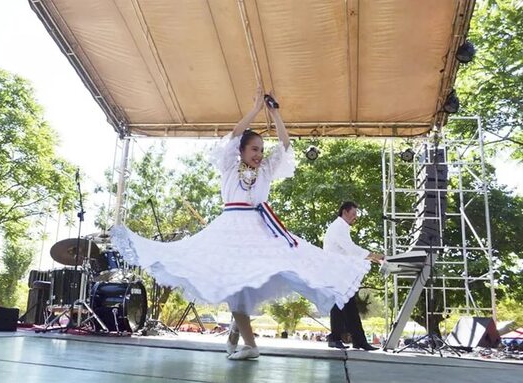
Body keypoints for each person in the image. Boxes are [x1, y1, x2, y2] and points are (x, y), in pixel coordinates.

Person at [111, 88, 370, 360]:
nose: (259, 154)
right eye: (254, 149)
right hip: (229, 230)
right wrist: (256, 109)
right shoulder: (229, 166)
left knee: (255, 280)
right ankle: (248, 341)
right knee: (233, 283)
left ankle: (245, 337)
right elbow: (234, 135)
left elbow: (285, 145)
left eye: (261, 150)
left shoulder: (266, 171)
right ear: (242, 151)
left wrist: (275, 114)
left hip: (259, 231)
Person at [323, 201, 384, 351]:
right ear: (344, 212)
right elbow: (350, 249)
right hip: (336, 272)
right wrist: (374, 256)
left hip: (340, 272)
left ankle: (357, 340)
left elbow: (349, 250)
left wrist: (372, 257)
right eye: (353, 213)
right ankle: (338, 338)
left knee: (349, 307)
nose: (355, 217)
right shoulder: (338, 227)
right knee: (339, 304)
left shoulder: (341, 227)